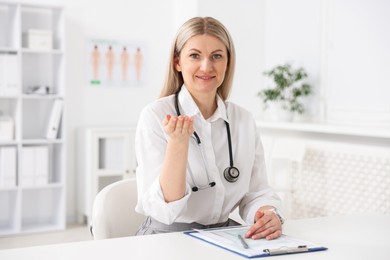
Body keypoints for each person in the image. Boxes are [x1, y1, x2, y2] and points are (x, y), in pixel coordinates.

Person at [135, 17, 283, 240]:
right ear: (177, 62)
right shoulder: (155, 115)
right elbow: (164, 209)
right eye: (195, 55)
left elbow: (256, 192)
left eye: (217, 56)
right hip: (166, 237)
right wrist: (178, 144)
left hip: (224, 236)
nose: (206, 66)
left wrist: (267, 214)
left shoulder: (243, 120)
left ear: (227, 62)